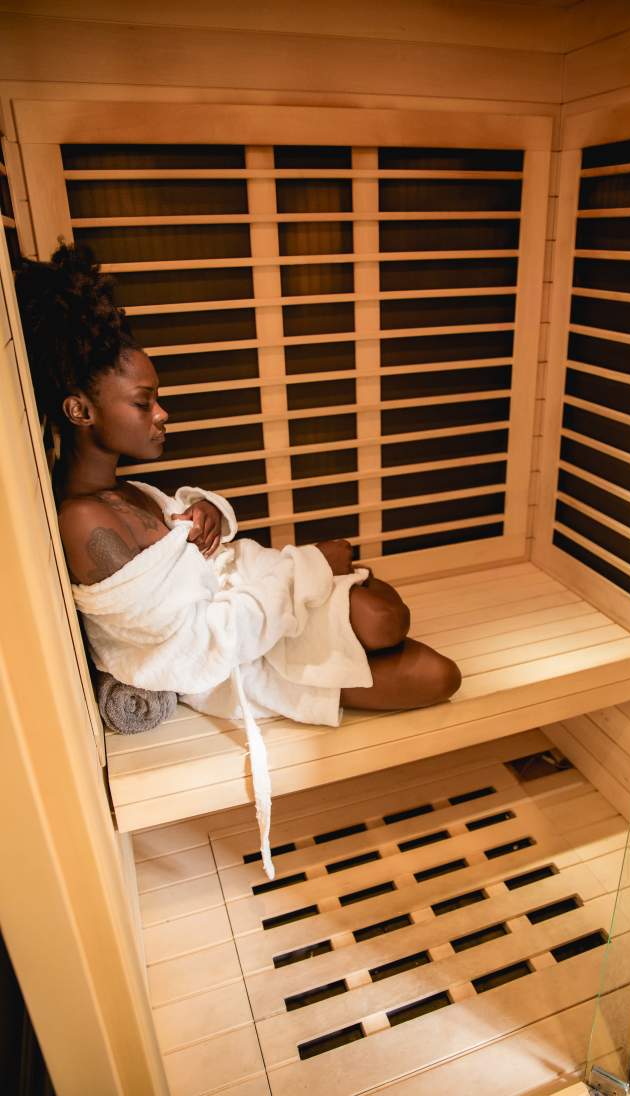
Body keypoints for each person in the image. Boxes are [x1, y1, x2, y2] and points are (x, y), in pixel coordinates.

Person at [15, 243, 461, 876]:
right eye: (144, 403)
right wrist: (307, 565)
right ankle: (327, 606)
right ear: (81, 411)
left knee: (387, 615)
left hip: (254, 598)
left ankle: (334, 606)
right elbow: (198, 647)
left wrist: (212, 514)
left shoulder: (127, 490)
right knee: (436, 673)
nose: (161, 413)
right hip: (238, 657)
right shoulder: (84, 523)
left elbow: (199, 541)